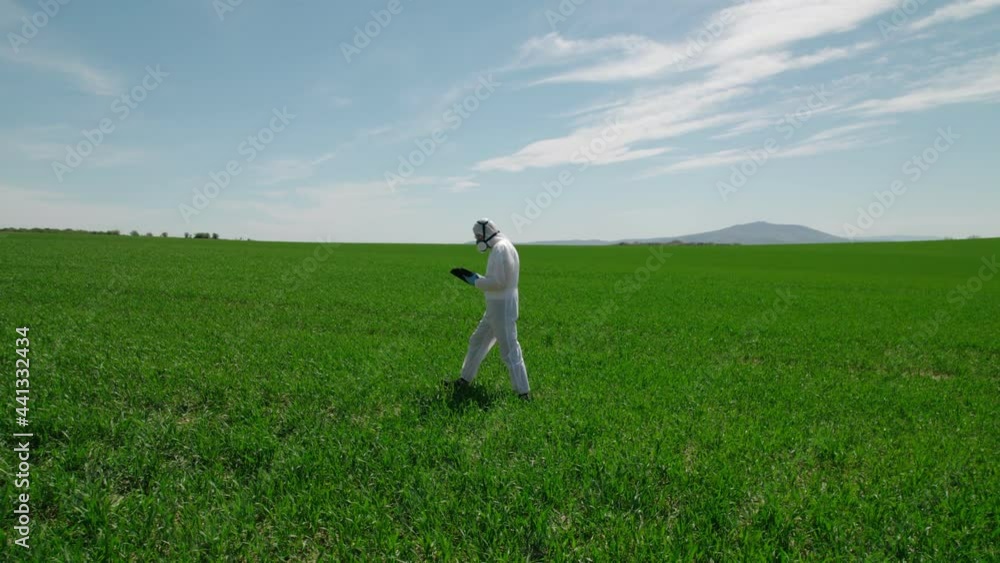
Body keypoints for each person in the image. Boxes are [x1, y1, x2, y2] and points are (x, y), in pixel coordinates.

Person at [448, 219, 531, 400]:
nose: (477, 240)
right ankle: (464, 380)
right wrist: (476, 278)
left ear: (486, 233)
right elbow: (498, 280)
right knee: (477, 341)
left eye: (478, 236)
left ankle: (523, 393)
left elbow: (498, 283)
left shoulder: (501, 249)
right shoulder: (502, 247)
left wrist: (474, 280)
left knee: (510, 350)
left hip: (501, 308)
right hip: (496, 307)